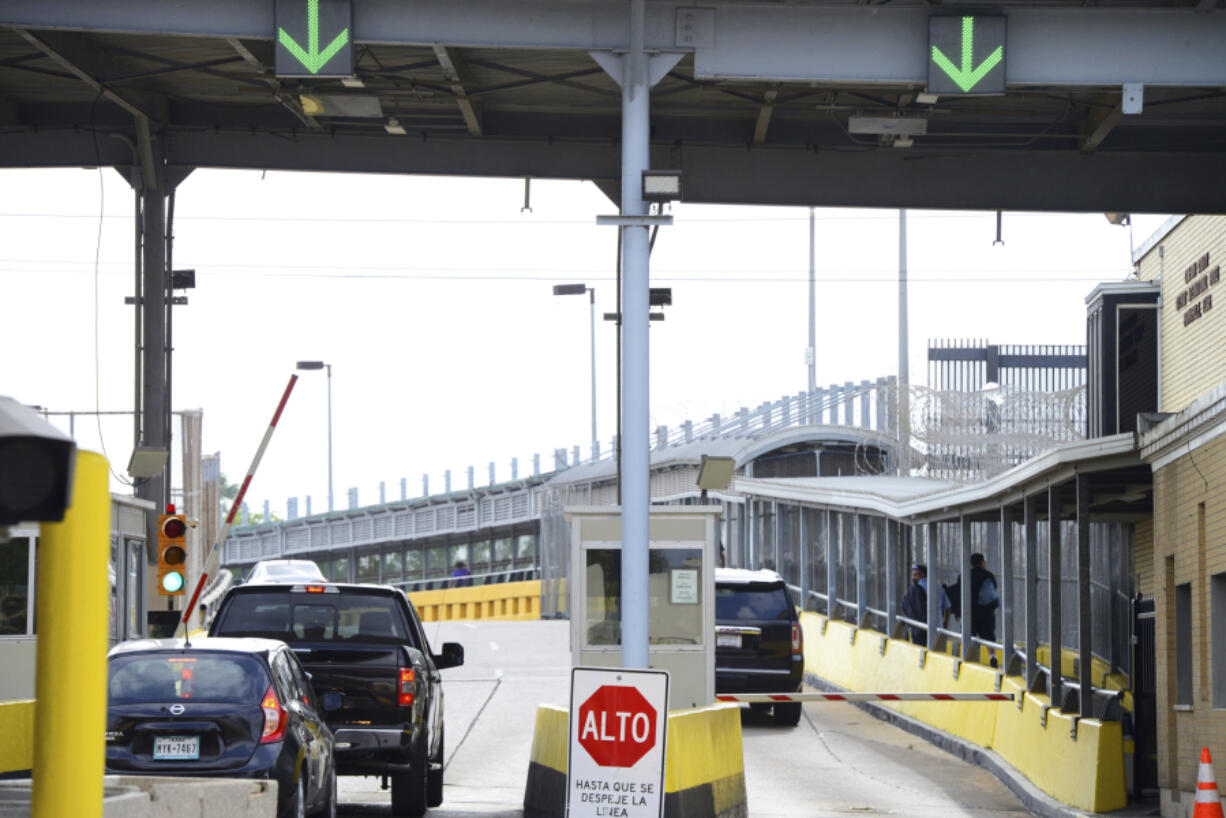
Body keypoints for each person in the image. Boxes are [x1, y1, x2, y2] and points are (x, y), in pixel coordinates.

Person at [899, 564, 951, 646]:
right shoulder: (939, 588)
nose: (914, 577)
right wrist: (945, 623)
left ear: (922, 575)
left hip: (919, 628)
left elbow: (904, 607)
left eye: (915, 575)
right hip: (937, 628)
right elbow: (947, 607)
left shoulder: (914, 589)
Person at [969, 552, 1000, 667]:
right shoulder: (988, 575)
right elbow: (994, 593)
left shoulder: (965, 575)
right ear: (982, 562)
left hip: (970, 613)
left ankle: (970, 658)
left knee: (970, 636)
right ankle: (992, 656)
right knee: (988, 636)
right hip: (986, 613)